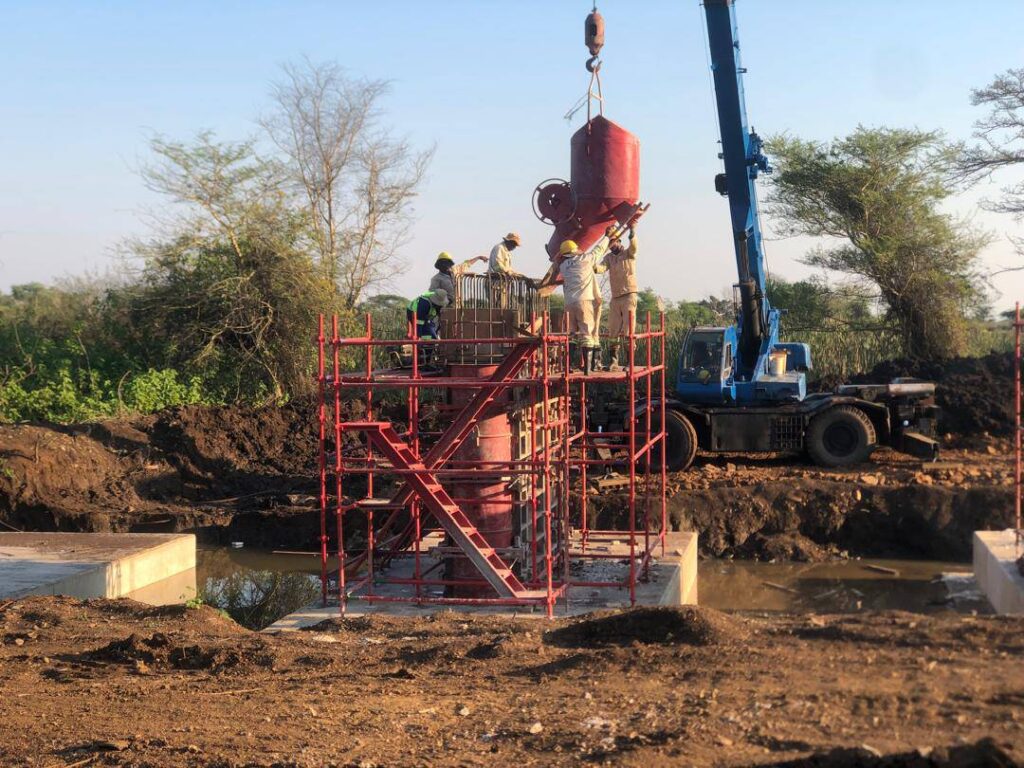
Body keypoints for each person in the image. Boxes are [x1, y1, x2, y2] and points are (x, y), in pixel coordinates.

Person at [556, 232, 612, 373]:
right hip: (584, 301)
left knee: (572, 335)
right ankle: (588, 369)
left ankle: (568, 366)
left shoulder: (563, 267)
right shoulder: (586, 260)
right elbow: (598, 250)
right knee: (587, 334)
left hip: (569, 303)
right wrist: (607, 237)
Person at [600, 222, 639, 371]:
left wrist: (632, 230)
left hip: (629, 295)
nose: (611, 245)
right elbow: (601, 268)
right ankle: (613, 361)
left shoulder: (629, 253)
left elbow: (634, 246)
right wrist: (590, 266)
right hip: (615, 298)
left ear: (619, 240)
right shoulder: (609, 258)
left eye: (613, 241)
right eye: (609, 242)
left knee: (629, 331)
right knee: (613, 330)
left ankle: (630, 362)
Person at [406, 288, 449, 368]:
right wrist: (418, 336)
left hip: (426, 318)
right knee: (428, 337)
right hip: (413, 314)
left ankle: (426, 361)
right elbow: (419, 322)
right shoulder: (424, 303)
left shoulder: (438, 300)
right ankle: (424, 363)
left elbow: (434, 317)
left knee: (432, 337)